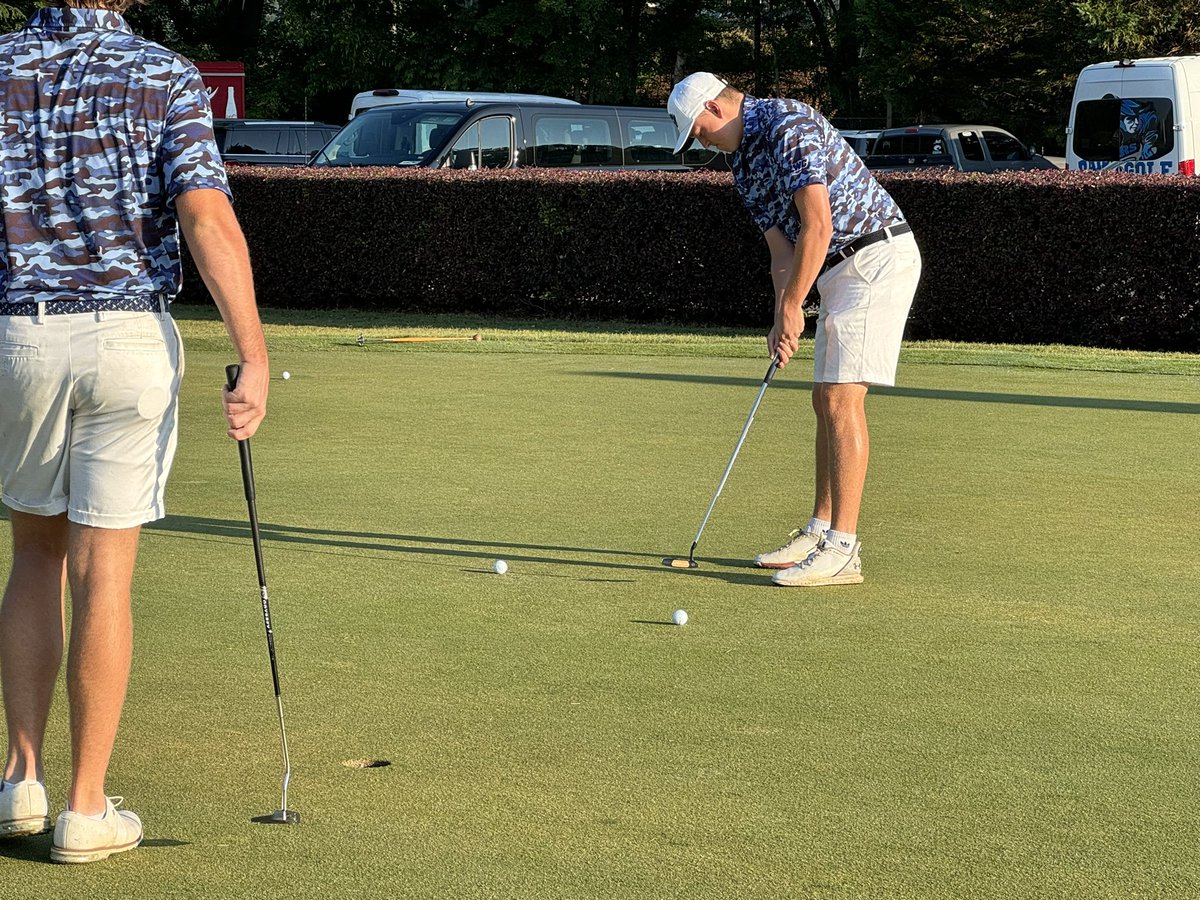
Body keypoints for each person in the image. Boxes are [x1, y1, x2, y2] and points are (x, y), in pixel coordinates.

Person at [0, 0, 269, 863]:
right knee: (102, 569)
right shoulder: (163, 72)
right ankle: (85, 808)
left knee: (33, 553)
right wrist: (252, 352)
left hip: (20, 336)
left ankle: (20, 780)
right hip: (126, 336)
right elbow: (205, 217)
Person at [668, 73, 921, 588]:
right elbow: (781, 250)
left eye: (697, 130)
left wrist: (796, 304)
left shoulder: (788, 124)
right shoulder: (743, 163)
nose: (700, 142)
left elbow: (819, 224)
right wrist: (783, 312)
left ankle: (844, 549)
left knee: (839, 400)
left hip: (874, 257)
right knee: (822, 399)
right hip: (833, 271)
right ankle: (821, 528)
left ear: (715, 108)